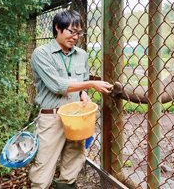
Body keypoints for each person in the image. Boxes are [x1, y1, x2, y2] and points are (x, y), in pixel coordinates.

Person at [29, 10, 112, 189]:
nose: (75, 36)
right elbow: (57, 86)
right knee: (43, 166)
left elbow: (80, 82)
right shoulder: (41, 53)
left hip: (76, 116)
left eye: (79, 33)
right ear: (58, 27)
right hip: (52, 117)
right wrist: (91, 84)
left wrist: (83, 93)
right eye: (71, 31)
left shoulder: (81, 55)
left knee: (74, 160)